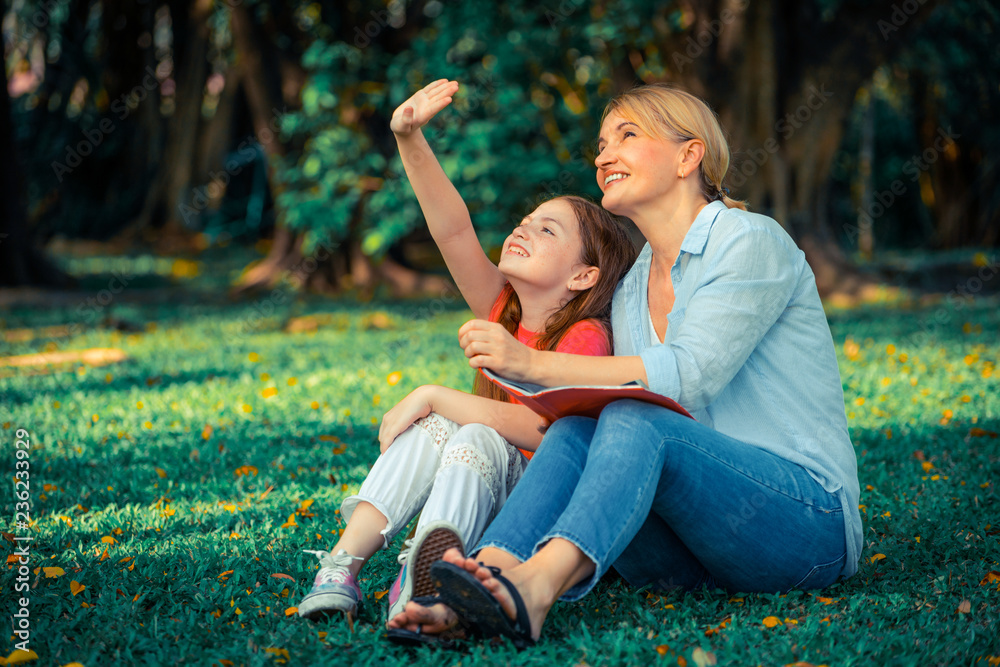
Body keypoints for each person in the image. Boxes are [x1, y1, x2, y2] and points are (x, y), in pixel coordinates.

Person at [389, 84, 863, 648]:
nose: (602, 155)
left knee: (640, 417)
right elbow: (461, 242)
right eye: (601, 143)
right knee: (577, 425)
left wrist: (533, 365)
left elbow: (690, 375)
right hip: (691, 551)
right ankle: (481, 579)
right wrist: (409, 139)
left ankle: (534, 589)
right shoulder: (630, 287)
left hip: (802, 527)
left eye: (627, 136)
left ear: (689, 156)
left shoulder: (748, 241)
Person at [294, 80, 637, 638]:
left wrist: (434, 394)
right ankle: (342, 568)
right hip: (478, 489)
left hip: (531, 512)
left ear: (583, 276)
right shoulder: (503, 309)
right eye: (527, 220)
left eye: (546, 230)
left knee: (469, 430)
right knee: (444, 428)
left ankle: (424, 584)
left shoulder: (584, 336)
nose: (524, 228)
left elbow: (542, 429)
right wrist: (408, 136)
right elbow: (451, 227)